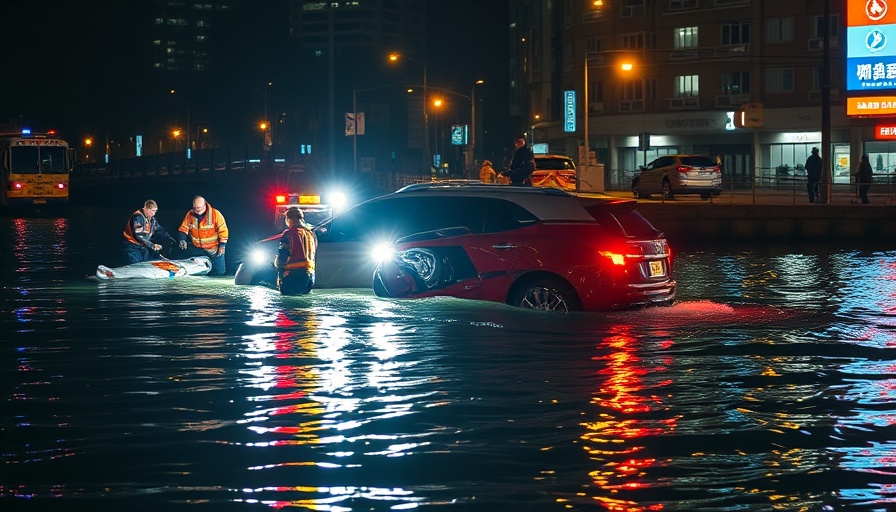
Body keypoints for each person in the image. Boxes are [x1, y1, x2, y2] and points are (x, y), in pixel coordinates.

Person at [177, 195, 229, 276]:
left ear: (205, 205)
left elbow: (223, 230)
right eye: (195, 208)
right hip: (198, 250)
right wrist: (182, 239)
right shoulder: (190, 214)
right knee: (198, 271)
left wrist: (222, 245)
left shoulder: (215, 214)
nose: (197, 210)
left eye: (199, 208)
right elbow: (183, 229)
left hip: (214, 250)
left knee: (219, 272)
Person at [275, 207, 317, 295]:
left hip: (292, 276)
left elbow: (283, 255)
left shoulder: (289, 234)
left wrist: (280, 270)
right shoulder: (311, 234)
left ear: (288, 219)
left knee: (288, 307)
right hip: (309, 277)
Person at [122, 199, 175, 264]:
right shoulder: (138, 217)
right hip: (133, 247)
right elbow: (139, 236)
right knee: (136, 266)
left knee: (154, 260)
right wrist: (152, 245)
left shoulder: (151, 219)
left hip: (144, 246)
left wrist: (168, 237)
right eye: (151, 211)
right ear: (146, 208)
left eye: (155, 211)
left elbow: (159, 229)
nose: (153, 213)